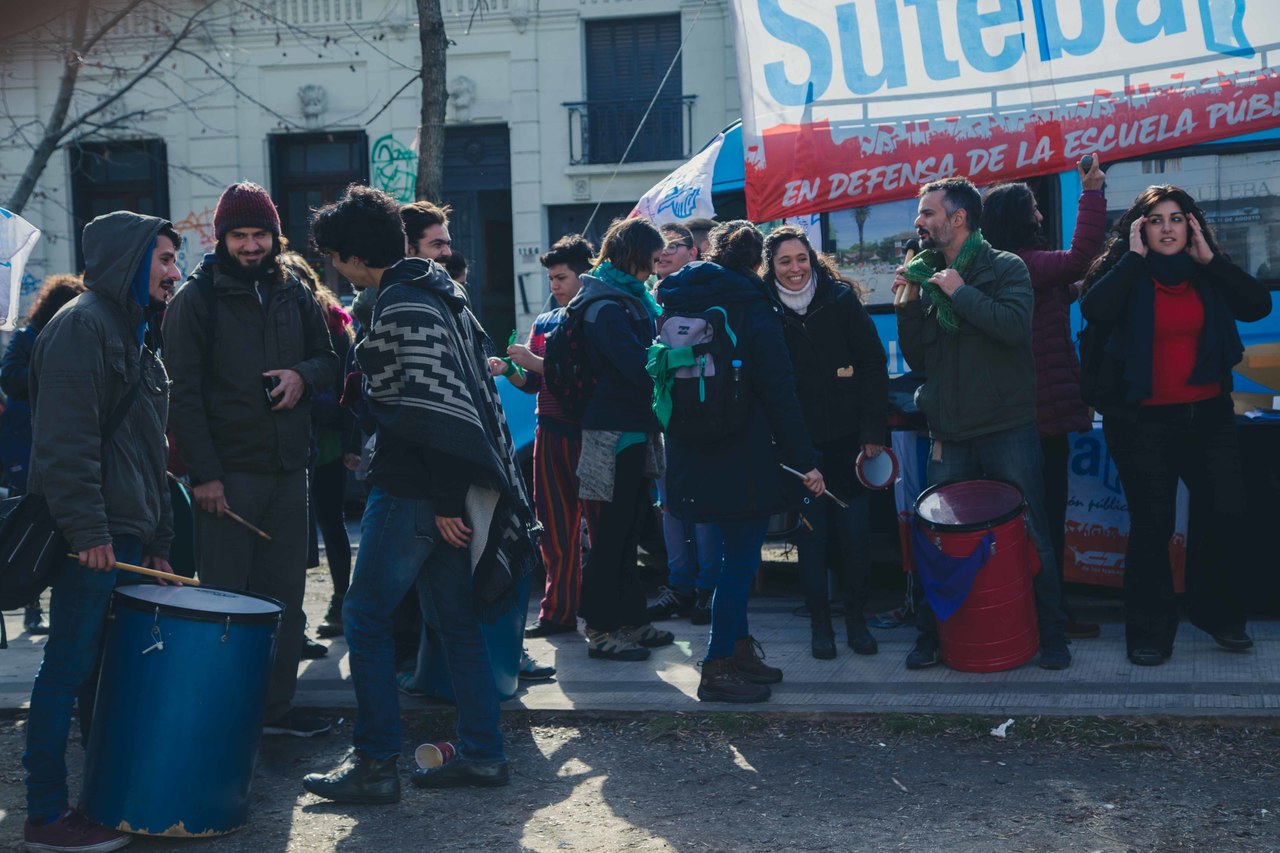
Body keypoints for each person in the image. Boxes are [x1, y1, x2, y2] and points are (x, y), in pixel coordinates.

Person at [303, 184, 537, 800]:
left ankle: (375, 762)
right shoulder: (437, 291)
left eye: (334, 256)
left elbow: (429, 412)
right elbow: (460, 399)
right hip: (440, 489)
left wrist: (444, 501)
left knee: (363, 617)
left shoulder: (402, 304)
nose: (334, 268)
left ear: (354, 256)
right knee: (455, 622)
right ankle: (482, 752)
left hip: (414, 490)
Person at [22, 212, 179, 853]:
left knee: (104, 675)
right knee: (67, 667)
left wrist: (161, 539)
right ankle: (46, 813)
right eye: (164, 259)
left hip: (128, 535)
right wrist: (88, 532)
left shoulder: (134, 328)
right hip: (93, 538)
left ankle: (100, 801)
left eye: (174, 259)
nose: (175, 272)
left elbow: (150, 451)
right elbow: (66, 444)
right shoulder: (80, 326)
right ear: (129, 261)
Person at [162, 181, 337, 738]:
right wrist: (204, 476)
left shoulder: (296, 290)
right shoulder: (195, 299)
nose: (250, 245)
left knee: (285, 599)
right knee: (226, 602)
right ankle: (221, 722)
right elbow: (181, 396)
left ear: (274, 235)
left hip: (290, 471)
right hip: (227, 478)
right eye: (238, 235)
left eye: (259, 233)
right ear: (221, 238)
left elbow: (330, 359)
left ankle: (274, 713)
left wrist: (302, 376)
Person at [1079, 184, 1271, 666]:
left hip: (1208, 416)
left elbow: (1257, 306)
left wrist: (1212, 260)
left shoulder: (1207, 272)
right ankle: (1149, 633)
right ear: (1141, 228)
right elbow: (1094, 310)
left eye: (1177, 219)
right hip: (1141, 422)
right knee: (1153, 526)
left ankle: (1216, 613)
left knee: (1228, 511)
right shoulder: (1124, 271)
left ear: (1192, 227)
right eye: (1156, 220)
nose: (1167, 228)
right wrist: (1133, 259)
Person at [893, 177, 1071, 671]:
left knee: (1031, 530)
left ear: (958, 218)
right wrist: (908, 306)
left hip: (1005, 426)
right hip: (949, 431)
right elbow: (920, 358)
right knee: (936, 540)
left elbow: (1012, 328)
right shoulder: (925, 274)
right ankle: (931, 636)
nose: (918, 222)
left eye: (927, 212)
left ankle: (1052, 634)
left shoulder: (1006, 266)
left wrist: (961, 292)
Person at [658, 220, 825, 702]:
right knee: (739, 563)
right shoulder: (753, 306)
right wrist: (805, 460)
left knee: (732, 556)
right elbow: (779, 392)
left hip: (690, 450)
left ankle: (740, 649)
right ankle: (717, 666)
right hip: (743, 454)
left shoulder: (678, 299)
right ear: (757, 264)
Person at [982, 157, 1108, 640]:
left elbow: (1066, 285)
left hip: (1040, 411)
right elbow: (1077, 259)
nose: (1039, 214)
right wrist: (1091, 193)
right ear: (1017, 218)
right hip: (1037, 416)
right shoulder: (1021, 263)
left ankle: (1047, 609)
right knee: (1045, 518)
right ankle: (1050, 614)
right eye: (1032, 208)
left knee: (1045, 516)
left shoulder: (1019, 268)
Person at [763, 225, 889, 660]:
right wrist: (790, 451)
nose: (795, 268)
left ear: (812, 259)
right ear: (771, 266)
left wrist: (872, 433)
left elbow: (873, 364)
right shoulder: (765, 308)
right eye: (785, 261)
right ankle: (820, 626)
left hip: (850, 444)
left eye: (802, 258)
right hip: (801, 449)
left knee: (855, 537)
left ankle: (856, 621)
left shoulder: (839, 299)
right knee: (812, 541)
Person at [573, 217, 673, 662]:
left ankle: (632, 620)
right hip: (612, 433)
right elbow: (636, 367)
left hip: (633, 428)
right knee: (612, 536)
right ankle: (599, 629)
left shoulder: (628, 299)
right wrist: (672, 359)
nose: (655, 268)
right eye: (652, 259)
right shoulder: (606, 306)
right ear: (633, 256)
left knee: (630, 530)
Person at [494, 235, 598, 641]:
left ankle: (602, 610)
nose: (554, 286)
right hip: (549, 433)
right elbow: (534, 385)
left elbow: (583, 375)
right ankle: (558, 611)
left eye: (561, 278)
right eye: (551, 279)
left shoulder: (595, 315)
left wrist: (534, 361)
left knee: (599, 527)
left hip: (590, 434)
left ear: (583, 276)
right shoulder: (545, 321)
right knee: (554, 528)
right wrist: (509, 369)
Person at [277, 252, 357, 642]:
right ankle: (294, 621)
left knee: (330, 520)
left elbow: (348, 387)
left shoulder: (335, 326)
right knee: (294, 532)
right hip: (289, 439)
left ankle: (341, 602)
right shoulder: (276, 322)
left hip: (326, 441)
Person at [647, 222, 724, 626]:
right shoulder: (648, 300)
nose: (664, 252)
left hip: (706, 417)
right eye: (659, 246)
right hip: (664, 418)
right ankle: (680, 586)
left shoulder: (712, 294)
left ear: (693, 253)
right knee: (670, 506)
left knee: (706, 505)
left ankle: (709, 588)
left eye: (673, 245)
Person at [0, 273, 85, 635]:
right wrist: (50, 371)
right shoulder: (28, 337)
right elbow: (10, 377)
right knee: (30, 519)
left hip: (55, 435)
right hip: (26, 438)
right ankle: (31, 605)